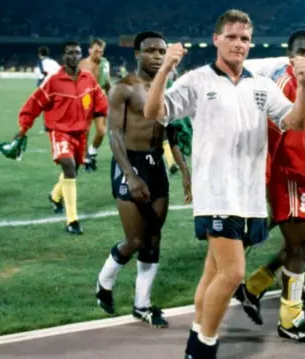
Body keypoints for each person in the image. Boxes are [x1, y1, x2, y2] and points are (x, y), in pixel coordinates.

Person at [144, 9, 305, 359]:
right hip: (215, 193)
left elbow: (295, 122)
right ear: (216, 39)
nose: (239, 44)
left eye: (245, 39)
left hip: (247, 196)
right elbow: (153, 112)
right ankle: (203, 347)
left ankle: (195, 336)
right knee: (234, 272)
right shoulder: (197, 80)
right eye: (232, 37)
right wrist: (165, 68)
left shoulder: (261, 86)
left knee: (213, 273)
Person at [234, 29, 305, 344]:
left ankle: (252, 287)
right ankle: (290, 319)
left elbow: (300, 125)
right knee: (299, 247)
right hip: (288, 177)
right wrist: (260, 186)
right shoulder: (284, 85)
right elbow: (268, 135)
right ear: (291, 55)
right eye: (302, 52)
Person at [95, 31, 191, 328]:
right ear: (137, 53)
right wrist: (130, 175)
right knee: (135, 239)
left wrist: (185, 171)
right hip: (130, 163)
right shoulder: (123, 89)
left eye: (162, 52)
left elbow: (172, 133)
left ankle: (142, 304)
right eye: (150, 51)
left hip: (156, 165)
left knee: (153, 238)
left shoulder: (168, 88)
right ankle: (104, 282)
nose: (157, 57)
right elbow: (113, 135)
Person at [14, 40, 108, 234]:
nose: (74, 56)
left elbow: (100, 102)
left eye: (77, 53)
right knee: (68, 166)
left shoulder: (88, 79)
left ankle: (55, 196)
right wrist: (23, 128)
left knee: (73, 170)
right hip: (60, 131)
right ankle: (72, 220)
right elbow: (34, 103)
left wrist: (105, 123)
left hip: (81, 132)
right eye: (70, 53)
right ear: (63, 57)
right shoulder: (54, 80)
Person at [79, 38, 112, 172]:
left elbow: (107, 82)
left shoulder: (105, 63)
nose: (99, 54)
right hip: (85, 100)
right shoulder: (82, 64)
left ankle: (92, 152)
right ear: (90, 50)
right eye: (96, 51)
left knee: (101, 130)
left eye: (101, 51)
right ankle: (86, 157)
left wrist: (111, 97)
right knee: (85, 131)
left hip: (100, 99)